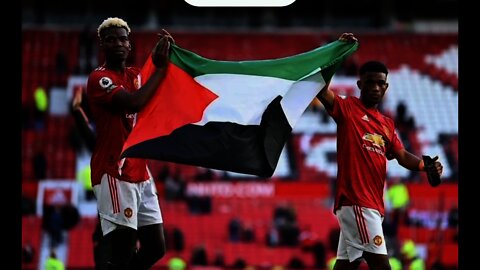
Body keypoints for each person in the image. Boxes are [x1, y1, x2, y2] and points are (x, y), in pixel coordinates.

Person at [315, 33, 443, 270]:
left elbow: (401, 154)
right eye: (370, 82)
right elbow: (321, 89)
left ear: (386, 87)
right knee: (382, 266)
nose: (375, 87)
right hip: (357, 201)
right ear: (359, 84)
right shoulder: (347, 108)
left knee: (345, 264)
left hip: (372, 203)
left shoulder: (387, 123)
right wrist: (336, 52)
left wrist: (424, 166)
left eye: (380, 83)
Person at [86, 17, 173, 269]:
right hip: (114, 171)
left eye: (123, 38)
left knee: (156, 248)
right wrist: (161, 69)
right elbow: (135, 102)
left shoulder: (136, 75)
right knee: (124, 248)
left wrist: (168, 57)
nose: (118, 44)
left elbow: (156, 89)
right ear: (102, 44)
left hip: (140, 171)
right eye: (111, 39)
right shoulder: (99, 79)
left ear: (130, 45)